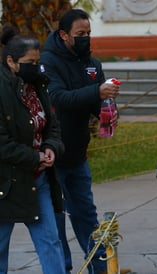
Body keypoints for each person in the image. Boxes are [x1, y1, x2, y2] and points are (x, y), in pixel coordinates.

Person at [39, 9, 130, 274]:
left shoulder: (92, 64)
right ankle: (61, 269)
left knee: (86, 216)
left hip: (78, 153)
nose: (85, 38)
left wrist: (107, 110)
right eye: (80, 34)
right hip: (52, 155)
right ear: (64, 35)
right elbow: (57, 98)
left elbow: (93, 102)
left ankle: (99, 268)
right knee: (55, 221)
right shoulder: (48, 62)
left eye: (89, 33)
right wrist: (96, 91)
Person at [0, 29, 65, 274]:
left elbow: (53, 126)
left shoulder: (39, 86)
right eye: (30, 63)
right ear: (10, 62)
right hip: (5, 183)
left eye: (38, 62)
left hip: (38, 179)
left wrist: (50, 148)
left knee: (51, 241)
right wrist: (34, 156)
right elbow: (2, 143)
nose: (36, 68)